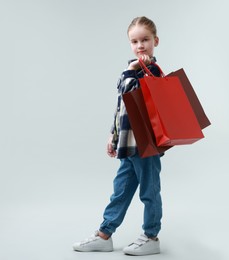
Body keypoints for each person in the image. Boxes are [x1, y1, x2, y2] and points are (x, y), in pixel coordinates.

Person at [73, 16, 164, 256]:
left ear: (156, 41)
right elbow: (121, 108)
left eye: (145, 40)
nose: (140, 45)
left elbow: (130, 91)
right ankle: (105, 234)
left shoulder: (151, 72)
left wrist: (131, 70)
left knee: (149, 191)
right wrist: (112, 137)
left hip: (146, 145)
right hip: (128, 145)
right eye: (135, 41)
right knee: (120, 191)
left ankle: (151, 236)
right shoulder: (132, 69)